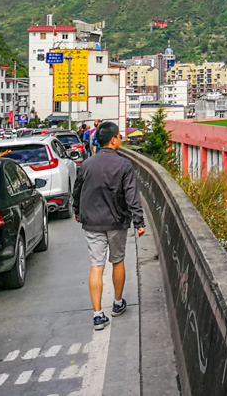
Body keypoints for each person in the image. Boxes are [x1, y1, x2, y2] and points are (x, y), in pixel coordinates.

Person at [71, 121, 145, 331]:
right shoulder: (124, 165)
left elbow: (77, 191)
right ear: (113, 140)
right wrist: (139, 221)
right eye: (120, 136)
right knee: (118, 260)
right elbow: (132, 196)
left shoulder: (87, 164)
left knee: (96, 265)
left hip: (92, 222)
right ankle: (117, 303)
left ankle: (97, 315)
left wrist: (77, 212)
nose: (121, 139)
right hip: (116, 221)